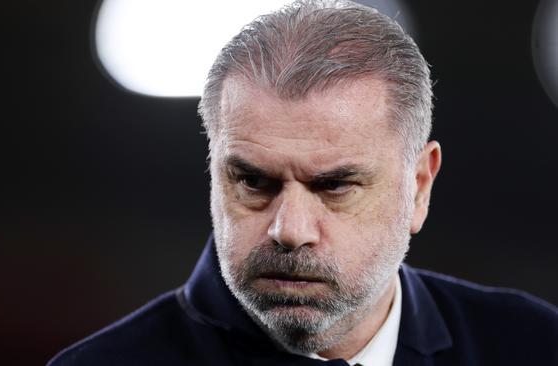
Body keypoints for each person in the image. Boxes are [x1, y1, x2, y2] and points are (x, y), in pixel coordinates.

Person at [48, 1, 558, 365]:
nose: (289, 231)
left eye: (335, 186)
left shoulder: (534, 345)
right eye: (253, 181)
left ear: (419, 186)